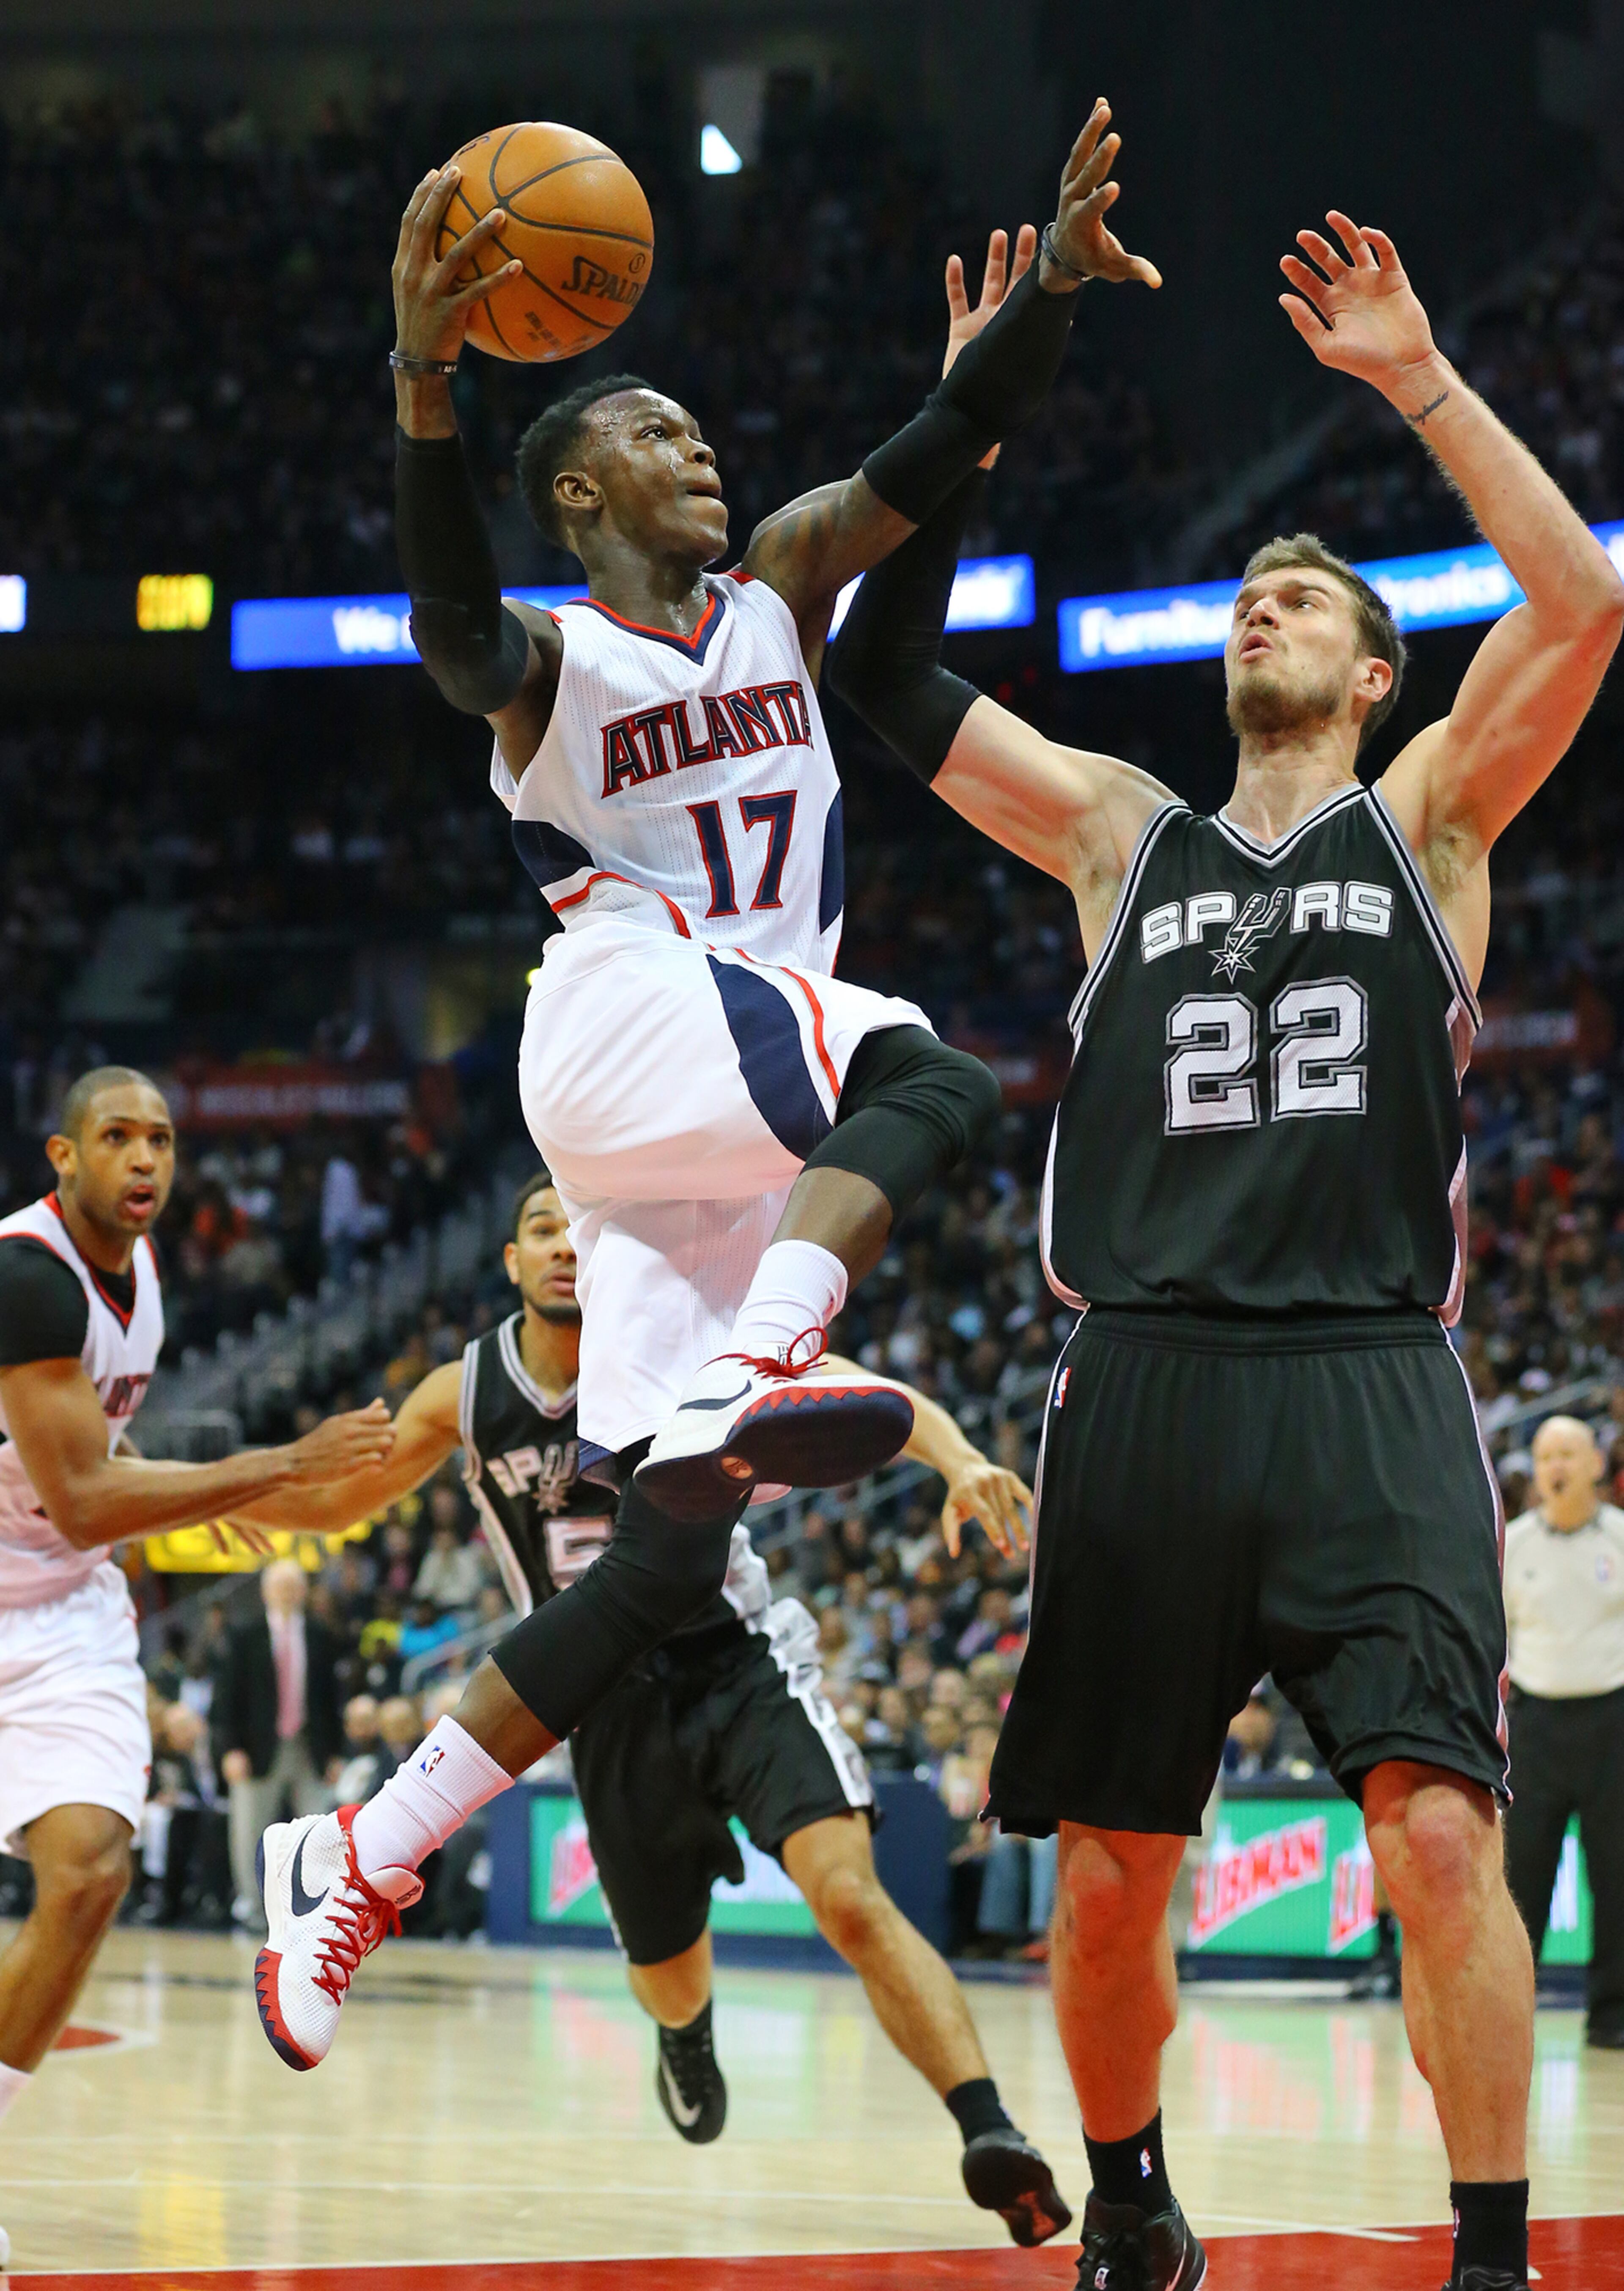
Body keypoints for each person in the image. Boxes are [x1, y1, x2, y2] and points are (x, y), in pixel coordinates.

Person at [243, 101, 1163, 2074]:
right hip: (639, 1015)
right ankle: (769, 1353)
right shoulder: (554, 659)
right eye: (648, 435)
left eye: (697, 433)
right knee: (931, 1068)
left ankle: (362, 1853)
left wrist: (1055, 302)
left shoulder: (775, 590)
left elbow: (922, 456)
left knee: (661, 1550)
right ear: (574, 493)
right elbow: (438, 621)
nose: (699, 452)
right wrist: (422, 374)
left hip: (724, 1107)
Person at [831, 214, 1624, 2291]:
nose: (1264, 605)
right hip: (1147, 1375)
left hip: (1370, 1379)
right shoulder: (1117, 828)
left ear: (1375, 678)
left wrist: (1419, 383)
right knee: (1111, 1875)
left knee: (1438, 1833)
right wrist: (976, 400)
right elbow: (878, 674)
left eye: (1310, 605)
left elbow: (1586, 597)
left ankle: (1487, 2253)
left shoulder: (1436, 809)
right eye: (1251, 595)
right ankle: (1138, 2203)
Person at [238, 1172, 1069, 2245]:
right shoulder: (464, 1389)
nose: (560, 1248)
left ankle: (986, 2126)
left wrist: (956, 1455)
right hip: (597, 1700)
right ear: (510, 1261)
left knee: (849, 1895)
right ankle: (687, 2033)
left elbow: (855, 1388)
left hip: (737, 1659)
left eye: (573, 1229)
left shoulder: (678, 1338)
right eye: (538, 1229)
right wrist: (230, 1492)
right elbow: (347, 1496)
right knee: (669, 1981)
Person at [0, 1066, 395, 2260]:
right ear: (62, 1158)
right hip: (45, 1552)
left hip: (58, 1612)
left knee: (90, 1872)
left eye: (160, 1140)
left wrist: (219, 1507)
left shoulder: (142, 1264)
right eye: (115, 1137)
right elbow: (77, 1496)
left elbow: (89, 1481)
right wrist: (281, 1467)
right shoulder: (27, 1276)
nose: (143, 1161)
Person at [1502, 1414, 1624, 2051]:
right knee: (1522, 1880)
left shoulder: (1620, 1539)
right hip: (1536, 1726)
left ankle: (1612, 2018)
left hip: (1613, 1723)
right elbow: (1492, 1640)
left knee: (1618, 1877)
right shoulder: (1514, 1543)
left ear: (1596, 1466)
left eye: (1570, 1454)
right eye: (1547, 1454)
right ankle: (1511, 2014)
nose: (1557, 1466)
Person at [214, 1557, 344, 1933]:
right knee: (251, 1831)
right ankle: (253, 1910)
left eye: (294, 1586)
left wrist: (336, 1752)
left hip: (310, 1747)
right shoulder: (245, 1636)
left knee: (320, 1832)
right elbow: (226, 1700)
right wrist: (230, 1749)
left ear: (304, 1591)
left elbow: (331, 1700)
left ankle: (318, 1913)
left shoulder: (321, 1636)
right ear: (266, 1591)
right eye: (280, 1586)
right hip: (258, 1748)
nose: (287, 1593)